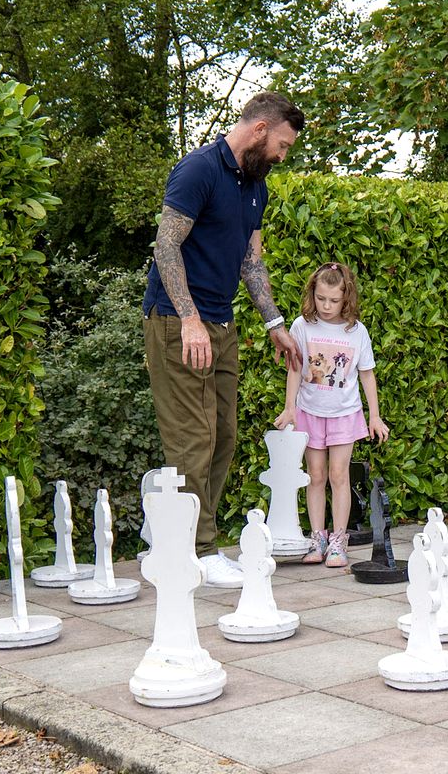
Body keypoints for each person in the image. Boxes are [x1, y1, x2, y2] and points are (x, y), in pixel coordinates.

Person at [143, 92, 304, 588]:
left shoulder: (256, 187)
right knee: (193, 438)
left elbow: (250, 261)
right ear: (259, 129)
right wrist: (189, 319)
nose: (282, 156)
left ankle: (169, 526)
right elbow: (167, 243)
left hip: (221, 322)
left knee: (224, 434)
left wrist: (274, 322)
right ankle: (197, 549)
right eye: (280, 145)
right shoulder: (198, 170)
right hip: (177, 320)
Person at [275, 262, 389, 568]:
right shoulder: (302, 326)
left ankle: (339, 541)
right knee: (315, 476)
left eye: (333, 300)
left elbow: (367, 375)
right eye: (321, 298)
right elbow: (295, 368)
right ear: (312, 294)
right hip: (310, 412)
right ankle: (317, 537)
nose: (326, 306)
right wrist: (289, 408)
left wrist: (374, 416)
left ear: (346, 298)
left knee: (339, 476)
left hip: (344, 414)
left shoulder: (357, 331)